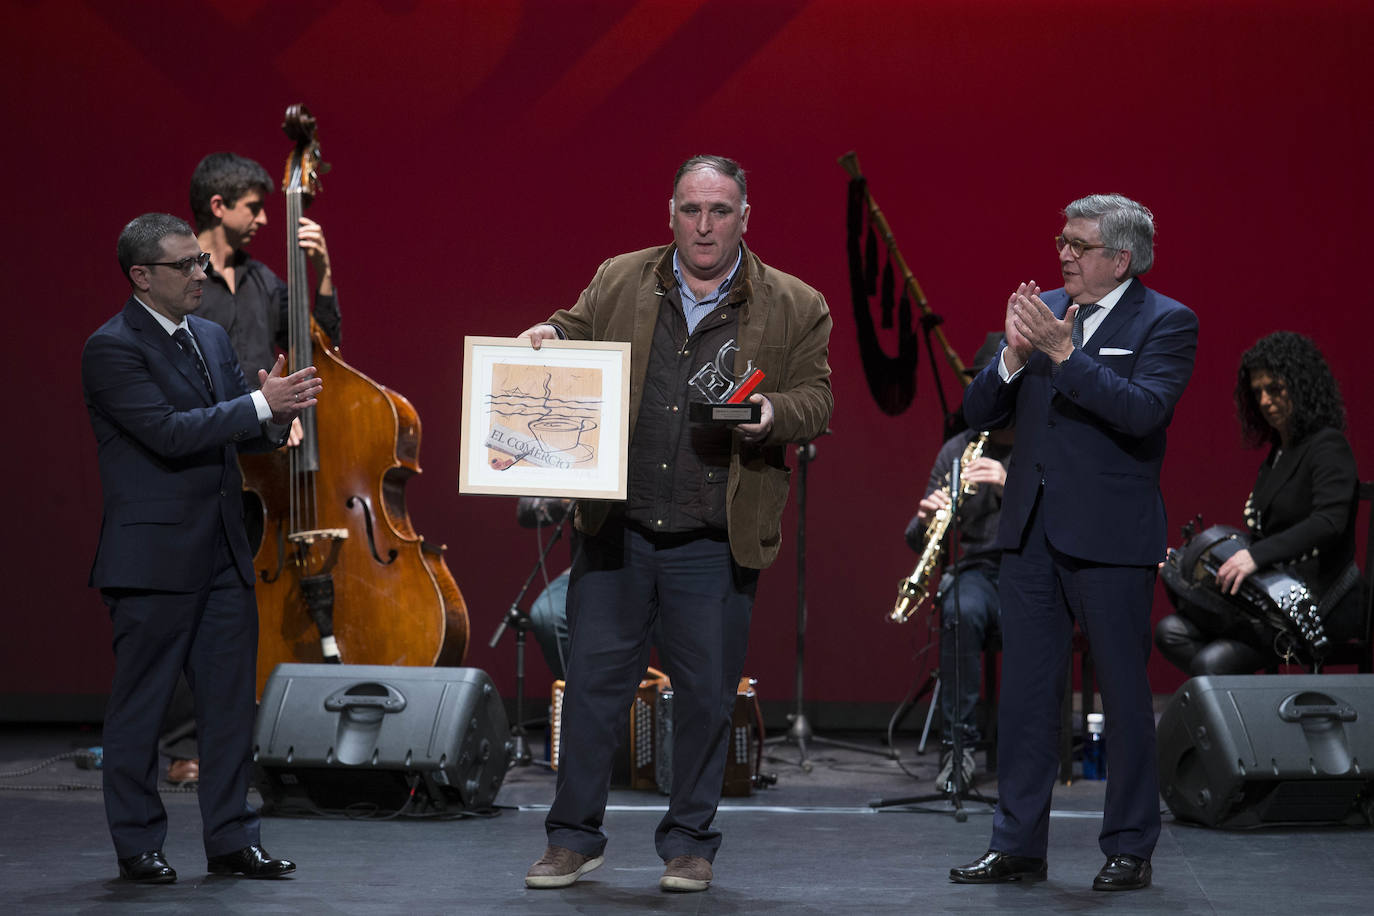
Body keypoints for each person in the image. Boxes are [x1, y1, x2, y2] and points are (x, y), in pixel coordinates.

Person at [517, 155, 832, 894]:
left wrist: (772, 414)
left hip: (712, 540)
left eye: (720, 211)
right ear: (671, 213)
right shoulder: (621, 277)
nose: (704, 225)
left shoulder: (795, 302)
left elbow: (816, 399)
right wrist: (548, 338)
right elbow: (571, 328)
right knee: (592, 691)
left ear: (744, 216)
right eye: (692, 209)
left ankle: (689, 842)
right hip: (617, 530)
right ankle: (572, 840)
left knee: (705, 701)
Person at [949, 194, 1198, 892]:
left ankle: (1128, 847)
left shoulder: (1167, 321)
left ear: (1120, 258)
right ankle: (1018, 845)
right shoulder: (1043, 312)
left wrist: (1063, 354)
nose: (1062, 254)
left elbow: (1144, 412)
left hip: (1112, 540)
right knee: (1028, 701)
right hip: (1029, 533)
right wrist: (1012, 354)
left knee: (1121, 700)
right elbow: (973, 415)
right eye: (1061, 240)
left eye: (1078, 244)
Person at [83, 213, 321, 882]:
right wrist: (259, 405)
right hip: (152, 562)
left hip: (221, 553)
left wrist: (278, 417)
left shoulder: (210, 336)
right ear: (141, 276)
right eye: (184, 265)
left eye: (199, 261)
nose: (201, 274)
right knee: (143, 710)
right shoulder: (112, 348)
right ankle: (138, 845)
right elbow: (168, 433)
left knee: (227, 708)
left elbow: (235, 429)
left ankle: (231, 839)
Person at [156, 152, 344, 786]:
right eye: (253, 206)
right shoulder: (185, 286)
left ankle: (253, 737)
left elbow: (321, 346)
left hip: (264, 470)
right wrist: (259, 412)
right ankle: (185, 746)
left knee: (236, 611)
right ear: (217, 207)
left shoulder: (267, 281)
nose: (267, 218)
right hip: (205, 461)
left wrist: (319, 273)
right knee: (190, 607)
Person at [1155, 332, 1361, 674]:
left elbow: (1329, 523)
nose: (1265, 401)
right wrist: (1192, 564)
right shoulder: (1279, 454)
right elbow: (1263, 532)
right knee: (1170, 632)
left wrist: (1254, 556)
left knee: (1210, 662)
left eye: (1275, 389)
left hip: (1319, 601)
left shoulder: (1328, 446)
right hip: (1270, 598)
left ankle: (1246, 719)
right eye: (1258, 392)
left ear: (1301, 386)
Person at [904, 335, 1012, 793]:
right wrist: (926, 519)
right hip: (976, 573)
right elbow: (915, 541)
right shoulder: (957, 450)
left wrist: (1012, 484)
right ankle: (958, 747)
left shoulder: (1046, 442)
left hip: (1031, 571)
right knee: (959, 610)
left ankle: (1028, 749)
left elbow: (1070, 520)